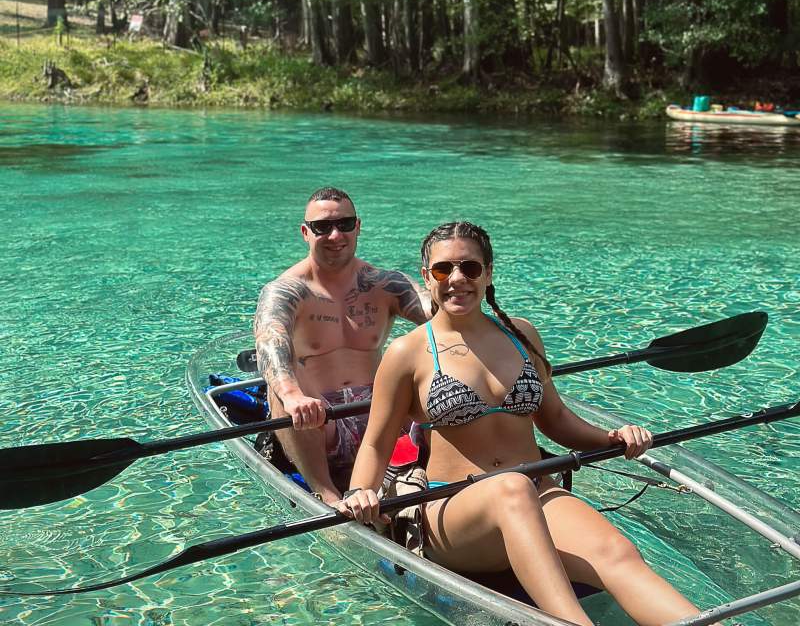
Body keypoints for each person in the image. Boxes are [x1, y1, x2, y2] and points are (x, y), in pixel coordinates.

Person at [337, 221, 708, 626]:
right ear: (427, 276)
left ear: (489, 272)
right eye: (444, 270)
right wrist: (360, 492)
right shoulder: (407, 353)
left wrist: (613, 437)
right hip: (453, 510)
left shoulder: (521, 334)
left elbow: (557, 420)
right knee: (509, 488)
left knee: (617, 555)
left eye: (471, 268)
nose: (457, 279)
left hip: (535, 491)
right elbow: (375, 443)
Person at [253, 187, 429, 505]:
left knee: (433, 358)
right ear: (306, 233)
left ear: (357, 226)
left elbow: (443, 318)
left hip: (381, 416)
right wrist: (292, 396)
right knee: (279, 384)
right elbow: (269, 341)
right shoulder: (285, 291)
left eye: (345, 224)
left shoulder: (386, 284)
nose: (336, 235)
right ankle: (327, 495)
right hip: (318, 421)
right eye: (322, 227)